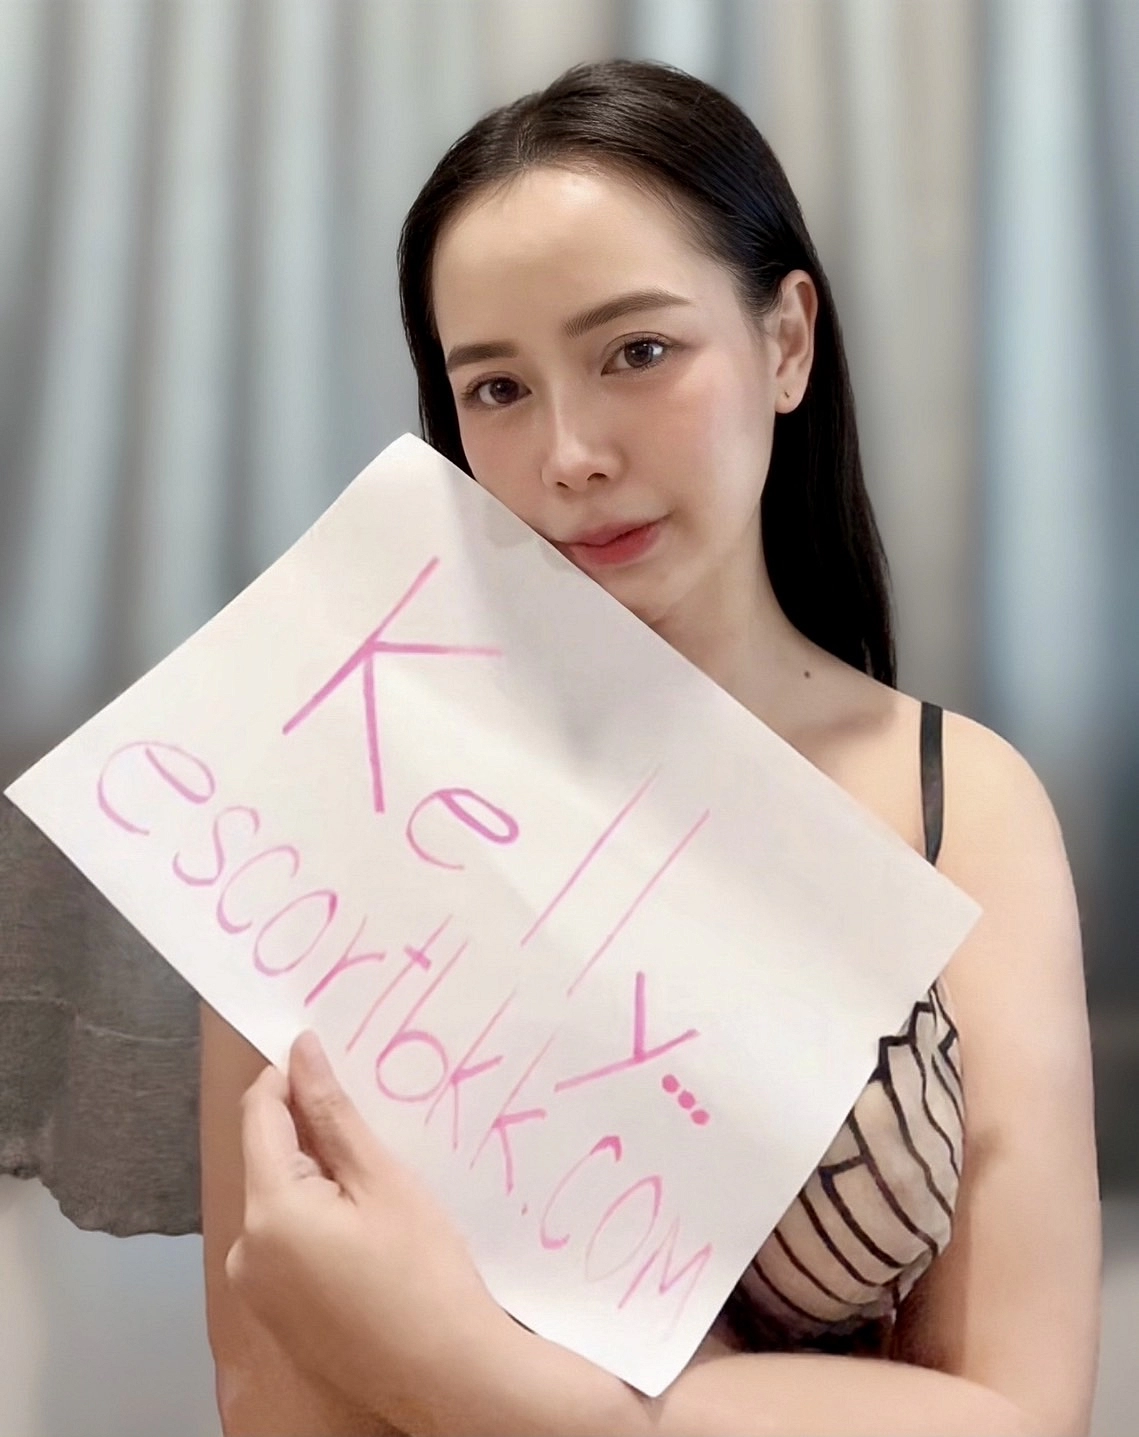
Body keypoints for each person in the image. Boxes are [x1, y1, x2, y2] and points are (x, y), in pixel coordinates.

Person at [201, 60, 1100, 1436]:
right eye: (497, 388)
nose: (568, 453)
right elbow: (274, 1396)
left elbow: (1021, 1416)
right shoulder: (327, 813)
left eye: (635, 352)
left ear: (786, 342)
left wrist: (484, 1373)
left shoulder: (960, 803)